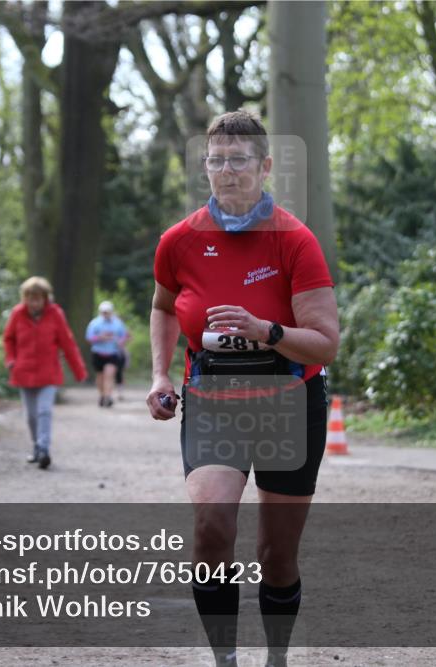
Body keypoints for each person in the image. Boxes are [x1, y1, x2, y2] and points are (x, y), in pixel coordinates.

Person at [147, 110, 339, 667]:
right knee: (211, 527)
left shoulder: (294, 241)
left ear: (265, 167)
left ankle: (276, 656)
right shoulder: (179, 241)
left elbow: (325, 344)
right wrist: (161, 375)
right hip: (213, 401)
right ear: (204, 167)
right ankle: (225, 659)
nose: (226, 172)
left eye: (239, 161)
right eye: (216, 161)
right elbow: (162, 307)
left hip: (289, 402)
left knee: (276, 554)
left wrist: (267, 332)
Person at [3, 276, 87, 470]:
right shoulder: (17, 314)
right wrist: (10, 360)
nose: (33, 303)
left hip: (48, 373)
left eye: (37, 298)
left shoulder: (55, 314)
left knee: (44, 411)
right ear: (24, 298)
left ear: (45, 298)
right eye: (30, 298)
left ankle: (43, 449)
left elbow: (67, 343)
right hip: (23, 372)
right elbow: (8, 339)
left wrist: (79, 371)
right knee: (31, 415)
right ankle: (36, 446)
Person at [85, 300, 127, 408]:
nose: (105, 314)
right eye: (103, 312)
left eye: (107, 312)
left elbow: (124, 335)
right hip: (98, 353)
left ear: (111, 312)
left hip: (112, 353)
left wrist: (121, 342)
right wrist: (100, 338)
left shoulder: (118, 323)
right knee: (100, 376)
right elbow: (89, 338)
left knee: (109, 375)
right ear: (100, 312)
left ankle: (108, 397)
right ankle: (102, 395)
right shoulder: (94, 323)